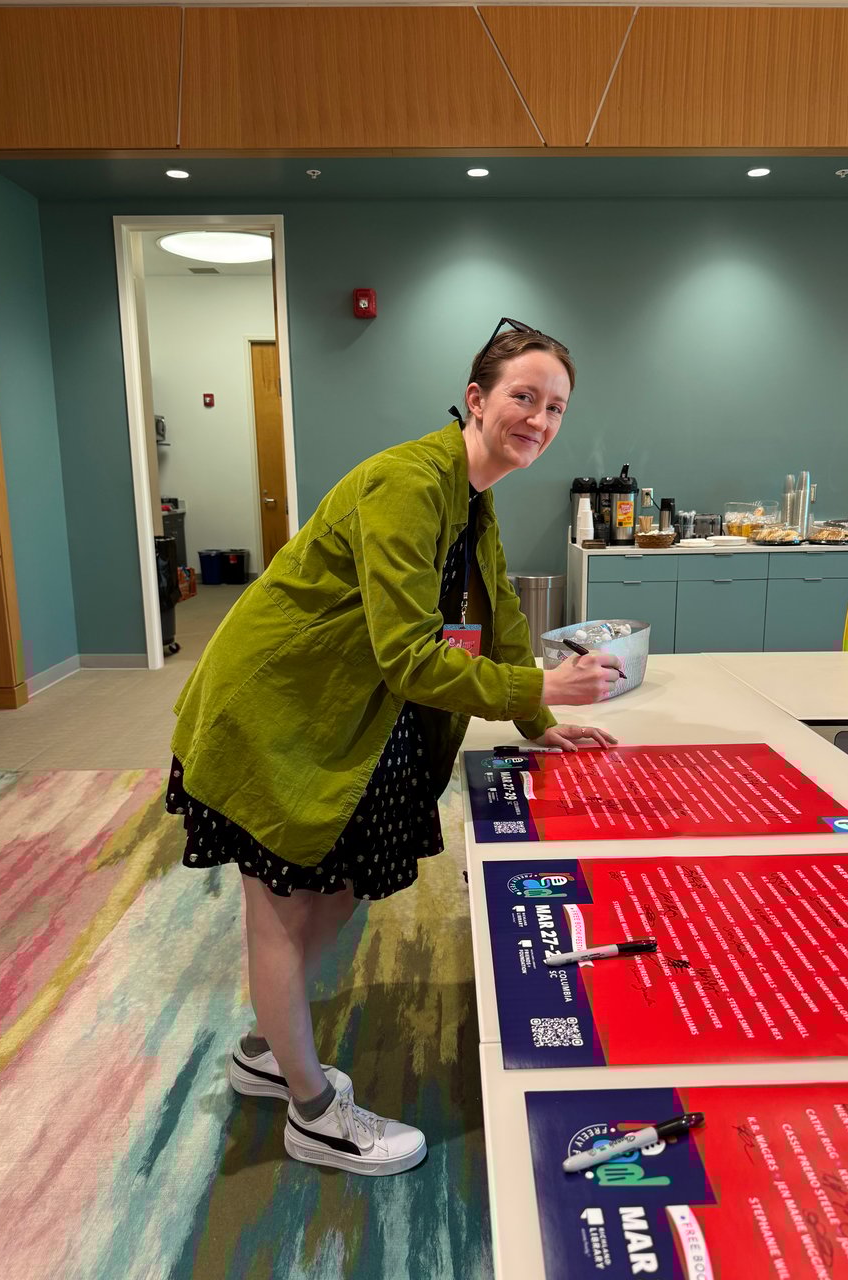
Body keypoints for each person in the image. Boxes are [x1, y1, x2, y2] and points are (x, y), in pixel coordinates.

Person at [165, 317, 621, 1176]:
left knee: (335, 891)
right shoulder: (412, 483)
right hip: (272, 714)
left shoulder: (472, 493)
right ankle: (311, 1113)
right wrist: (539, 689)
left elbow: (498, 616)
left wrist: (538, 719)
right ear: (478, 399)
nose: (541, 420)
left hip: (341, 717)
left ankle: (269, 1044)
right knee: (283, 904)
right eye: (525, 397)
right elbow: (410, 655)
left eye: (556, 407)